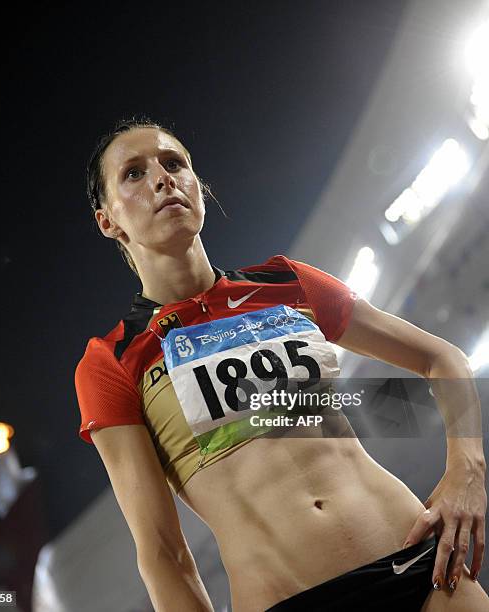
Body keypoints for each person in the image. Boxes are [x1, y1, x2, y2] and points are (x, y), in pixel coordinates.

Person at [75, 117, 488, 611]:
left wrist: (467, 472)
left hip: (420, 565)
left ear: (196, 184)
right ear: (108, 221)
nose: (163, 178)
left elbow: (442, 358)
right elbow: (164, 553)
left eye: (173, 163)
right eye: (134, 174)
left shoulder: (287, 284)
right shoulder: (113, 361)